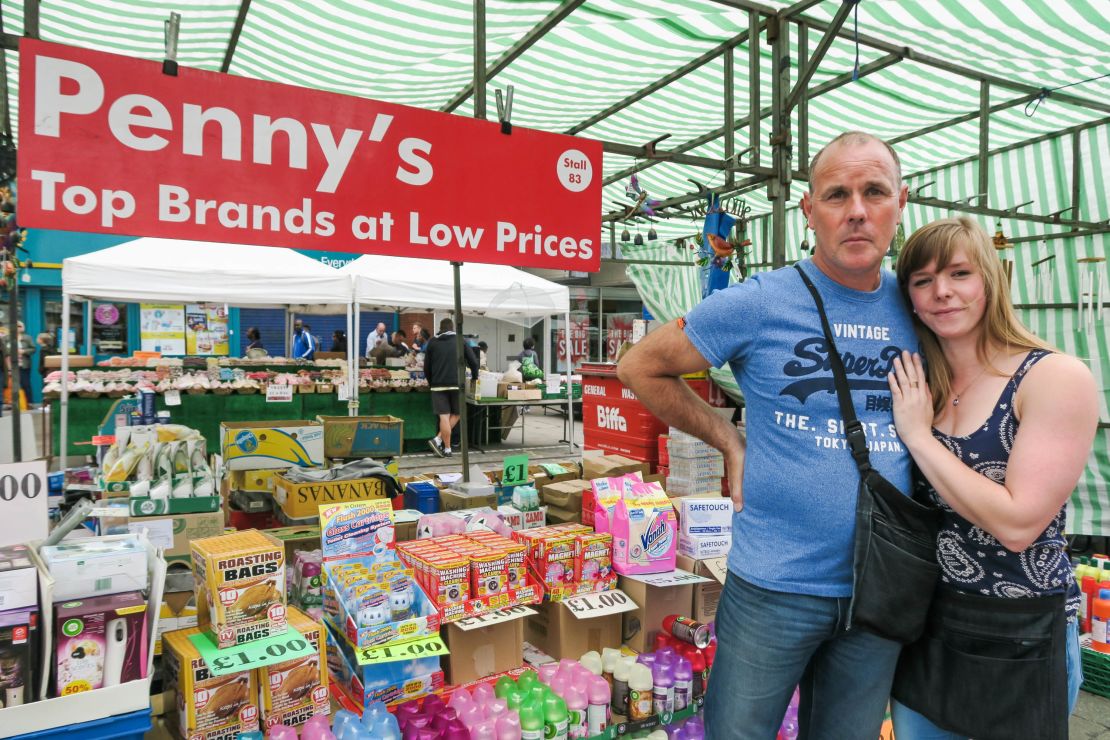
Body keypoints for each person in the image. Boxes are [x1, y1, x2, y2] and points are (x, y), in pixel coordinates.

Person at [617, 131, 916, 738]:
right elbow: (640, 366)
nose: (856, 210)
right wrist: (728, 438)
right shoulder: (761, 301)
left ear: (900, 203)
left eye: (874, 191)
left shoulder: (924, 306)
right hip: (774, 586)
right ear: (809, 211)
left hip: (881, 591)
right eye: (837, 194)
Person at [886, 217, 1097, 739]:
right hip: (927, 625)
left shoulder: (1051, 377)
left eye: (959, 273)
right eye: (922, 280)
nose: (942, 292)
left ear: (990, 280)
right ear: (907, 295)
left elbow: (1019, 523)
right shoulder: (921, 381)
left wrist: (919, 438)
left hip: (1016, 631)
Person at [423, 318, 478, 457]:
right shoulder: (460, 340)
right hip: (456, 384)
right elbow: (473, 361)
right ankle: (442, 444)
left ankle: (445, 446)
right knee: (457, 414)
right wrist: (474, 377)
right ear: (452, 328)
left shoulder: (432, 342)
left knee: (444, 417)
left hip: (437, 385)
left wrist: (431, 382)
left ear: (440, 328)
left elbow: (426, 367)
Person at [16, 321, 34, 405]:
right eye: (16, 326)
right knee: (12, 386)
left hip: (24, 365)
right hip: (10, 366)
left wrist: (23, 351)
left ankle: (29, 403)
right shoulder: (7, 338)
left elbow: (33, 349)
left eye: (20, 326)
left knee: (26, 384)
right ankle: (14, 404)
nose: (18, 328)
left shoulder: (27, 338)